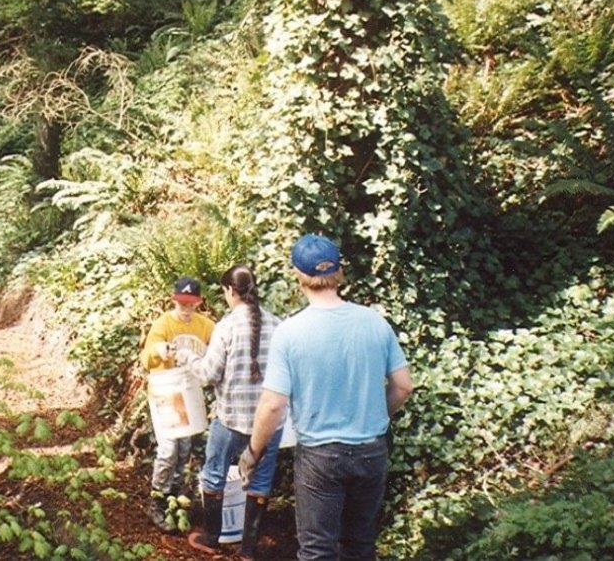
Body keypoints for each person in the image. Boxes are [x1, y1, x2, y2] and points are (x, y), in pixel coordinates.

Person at [240, 234, 414, 561]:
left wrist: (253, 452)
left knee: (318, 551)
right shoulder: (375, 322)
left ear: (298, 276)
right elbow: (403, 386)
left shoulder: (290, 332)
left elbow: (273, 405)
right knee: (360, 547)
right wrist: (374, 416)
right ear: (339, 272)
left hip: (320, 457)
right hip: (371, 452)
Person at [174, 264, 284, 559]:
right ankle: (248, 550)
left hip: (231, 419)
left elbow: (208, 374)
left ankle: (212, 537)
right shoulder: (278, 324)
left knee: (214, 474)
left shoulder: (226, 327)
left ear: (230, 291)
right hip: (269, 423)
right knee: (260, 481)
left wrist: (187, 356)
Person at [141, 276, 215, 532]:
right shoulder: (164, 323)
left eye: (190, 303)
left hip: (190, 393)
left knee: (184, 449)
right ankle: (157, 500)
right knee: (168, 448)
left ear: (198, 302)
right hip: (165, 392)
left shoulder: (205, 326)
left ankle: (174, 498)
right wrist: (158, 350)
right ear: (174, 301)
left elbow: (218, 350)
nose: (186, 308)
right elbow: (146, 358)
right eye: (181, 303)